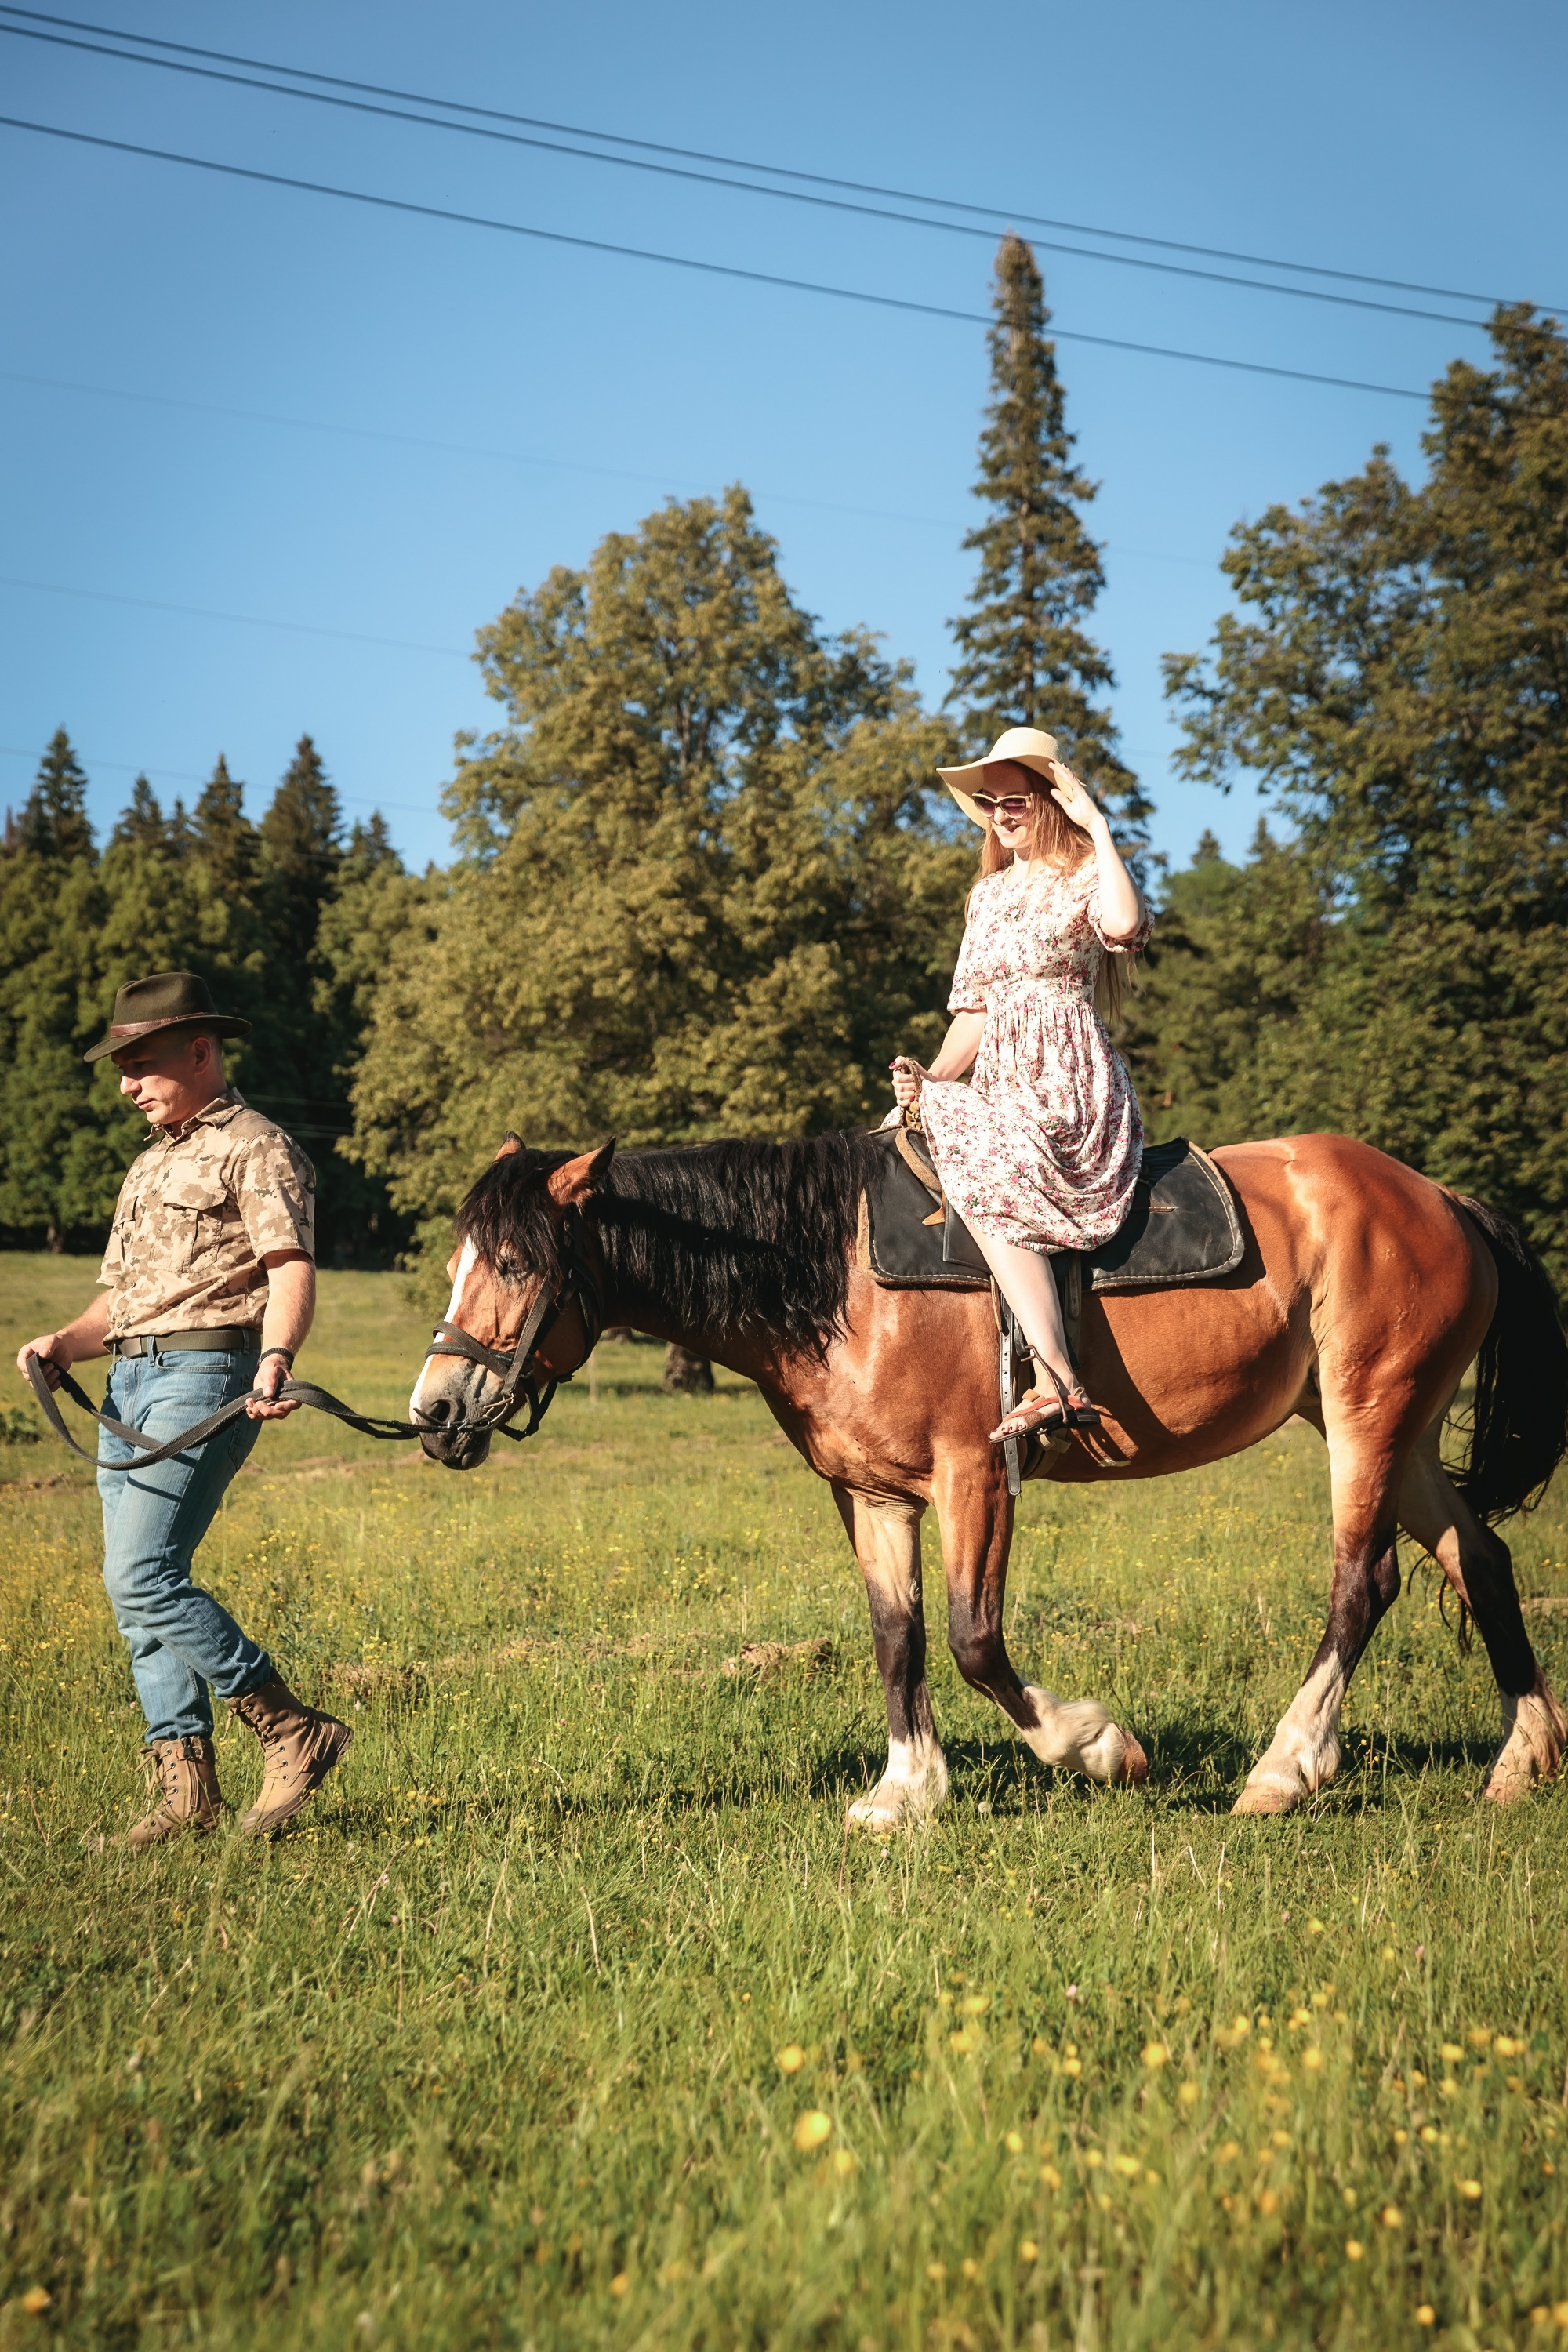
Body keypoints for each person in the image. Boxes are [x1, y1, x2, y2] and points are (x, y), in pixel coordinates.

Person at [14, 971, 352, 1848]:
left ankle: (289, 1725)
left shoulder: (258, 1146)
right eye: (121, 1065)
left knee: (141, 1574)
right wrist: (63, 1343)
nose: (127, 1083)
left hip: (205, 1378)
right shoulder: (150, 1160)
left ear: (200, 1052)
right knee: (136, 1593)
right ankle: (184, 1790)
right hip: (129, 1380)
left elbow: (288, 1266)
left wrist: (276, 1359)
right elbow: (121, 1305)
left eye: (142, 1062)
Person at [890, 726, 1150, 1444]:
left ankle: (1057, 1378)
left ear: (1051, 802)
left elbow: (1125, 925)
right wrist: (927, 1084)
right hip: (1000, 1072)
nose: (999, 813)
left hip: (1067, 1076)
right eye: (988, 800)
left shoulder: (1087, 873)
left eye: (1015, 798)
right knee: (932, 1127)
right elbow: (973, 1011)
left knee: (980, 1159)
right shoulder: (989, 896)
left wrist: (1097, 826)